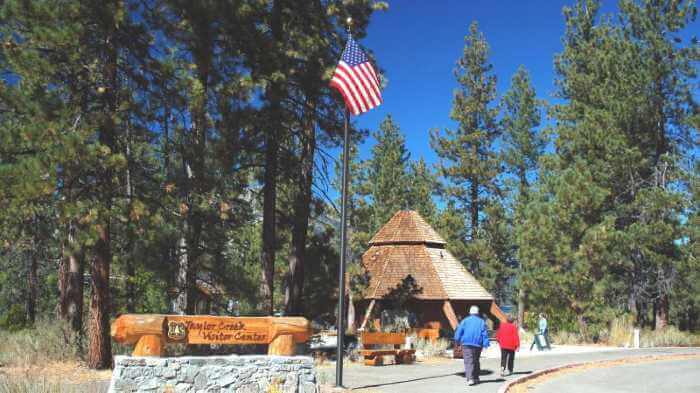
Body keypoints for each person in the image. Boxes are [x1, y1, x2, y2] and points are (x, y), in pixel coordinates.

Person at [454, 305, 490, 386]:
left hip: (466, 344)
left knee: (468, 361)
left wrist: (457, 340)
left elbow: (459, 331)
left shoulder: (465, 321)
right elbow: (484, 334)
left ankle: (470, 378)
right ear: (477, 313)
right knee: (476, 360)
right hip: (478, 344)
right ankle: (476, 377)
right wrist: (486, 343)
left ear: (470, 313)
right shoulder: (482, 322)